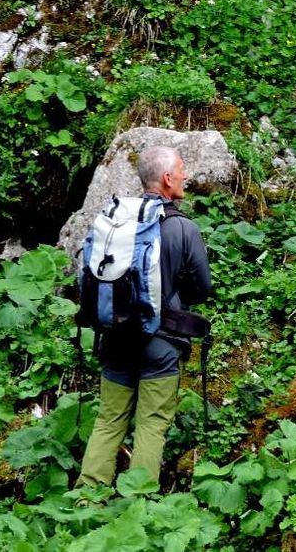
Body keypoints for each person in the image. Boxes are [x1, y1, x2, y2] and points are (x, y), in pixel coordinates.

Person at [76, 145, 212, 488]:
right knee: (151, 422)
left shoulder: (117, 221)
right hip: (161, 344)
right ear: (167, 179)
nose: (186, 175)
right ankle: (138, 502)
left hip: (116, 336)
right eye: (181, 169)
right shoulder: (183, 229)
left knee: (108, 420)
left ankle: (86, 497)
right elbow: (201, 290)